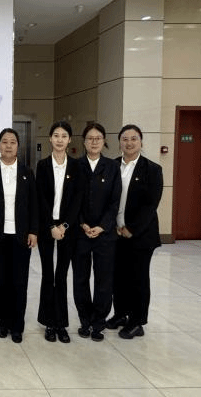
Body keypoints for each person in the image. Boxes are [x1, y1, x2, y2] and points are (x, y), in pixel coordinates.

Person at [106, 124, 163, 339]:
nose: (129, 143)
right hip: (115, 232)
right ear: (119, 142)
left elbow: (151, 204)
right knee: (118, 277)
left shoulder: (152, 169)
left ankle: (137, 321)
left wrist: (132, 229)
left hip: (140, 235)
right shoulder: (112, 165)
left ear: (141, 142)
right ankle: (121, 314)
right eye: (125, 139)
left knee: (138, 278)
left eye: (133, 139)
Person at [0, 127, 39, 344]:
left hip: (20, 236)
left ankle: (17, 325)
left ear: (18, 147)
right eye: (4, 142)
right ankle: (3, 322)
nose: (8, 145)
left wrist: (33, 231)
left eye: (12, 142)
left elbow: (33, 204)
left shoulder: (27, 172)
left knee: (19, 282)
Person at [72, 122, 121, 342]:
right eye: (90, 138)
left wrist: (102, 226)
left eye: (98, 138)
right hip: (80, 233)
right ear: (83, 142)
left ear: (104, 141)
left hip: (105, 234)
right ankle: (85, 320)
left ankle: (99, 322)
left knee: (104, 279)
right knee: (80, 279)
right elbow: (72, 201)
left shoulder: (112, 167)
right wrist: (82, 223)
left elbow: (115, 201)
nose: (94, 142)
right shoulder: (75, 166)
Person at [35, 120, 82, 344]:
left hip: (67, 228)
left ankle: (61, 323)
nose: (60, 140)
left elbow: (77, 200)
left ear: (69, 139)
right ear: (50, 139)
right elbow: (41, 198)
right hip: (47, 227)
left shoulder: (77, 167)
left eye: (64, 136)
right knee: (48, 274)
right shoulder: (42, 165)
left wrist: (64, 226)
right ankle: (48, 322)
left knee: (61, 275)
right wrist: (51, 226)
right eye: (56, 135)